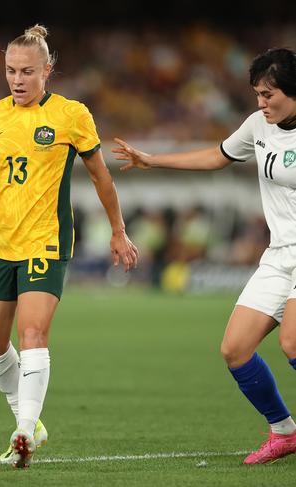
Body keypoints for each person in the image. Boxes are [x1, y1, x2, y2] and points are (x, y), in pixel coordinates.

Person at [0, 25, 138, 468]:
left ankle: (24, 430)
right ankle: (28, 422)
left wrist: (118, 231)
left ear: (48, 71)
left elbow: (102, 176)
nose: (17, 80)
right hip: (2, 241)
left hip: (47, 240)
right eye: (10, 71)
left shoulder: (71, 115)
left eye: (27, 71)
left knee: (33, 333)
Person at [113, 47, 296, 465]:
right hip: (280, 253)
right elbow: (218, 155)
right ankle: (284, 432)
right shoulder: (258, 125)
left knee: (292, 342)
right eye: (257, 94)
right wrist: (153, 160)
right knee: (235, 349)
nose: (261, 103)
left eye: (269, 95)